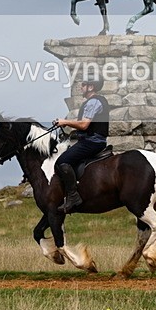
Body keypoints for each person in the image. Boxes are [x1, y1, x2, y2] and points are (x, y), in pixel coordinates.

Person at [53, 78, 109, 213]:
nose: (81, 87)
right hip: (90, 140)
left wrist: (65, 122)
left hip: (92, 142)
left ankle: (73, 197)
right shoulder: (92, 102)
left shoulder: (93, 102)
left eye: (84, 85)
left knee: (62, 161)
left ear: (91, 87)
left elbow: (84, 125)